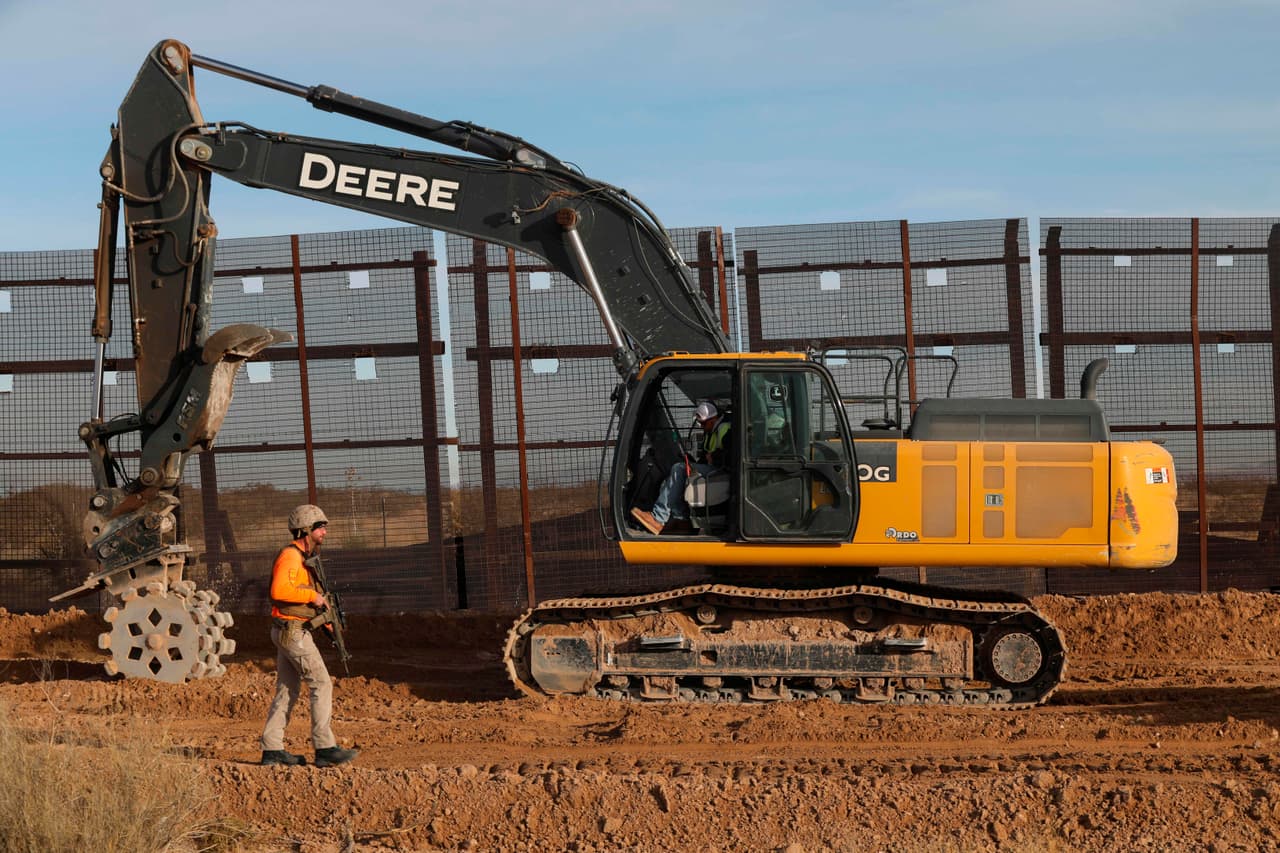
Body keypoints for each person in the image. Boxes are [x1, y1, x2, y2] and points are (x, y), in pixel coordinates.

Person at [259, 504, 359, 768]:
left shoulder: (304, 558)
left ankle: (272, 749)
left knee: (287, 689)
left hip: (289, 629)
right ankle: (325, 747)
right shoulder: (291, 556)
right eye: (320, 527)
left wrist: (328, 623)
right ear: (306, 529)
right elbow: (280, 590)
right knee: (322, 684)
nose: (325, 532)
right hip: (292, 632)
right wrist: (312, 596)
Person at [631, 401, 731, 535]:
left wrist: (715, 457)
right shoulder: (712, 431)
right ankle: (682, 520)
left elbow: (733, 453)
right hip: (713, 469)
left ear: (713, 419)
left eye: (704, 423)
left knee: (679, 468)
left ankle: (658, 518)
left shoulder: (725, 429)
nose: (702, 427)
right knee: (678, 472)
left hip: (722, 471)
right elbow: (704, 457)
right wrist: (692, 462)